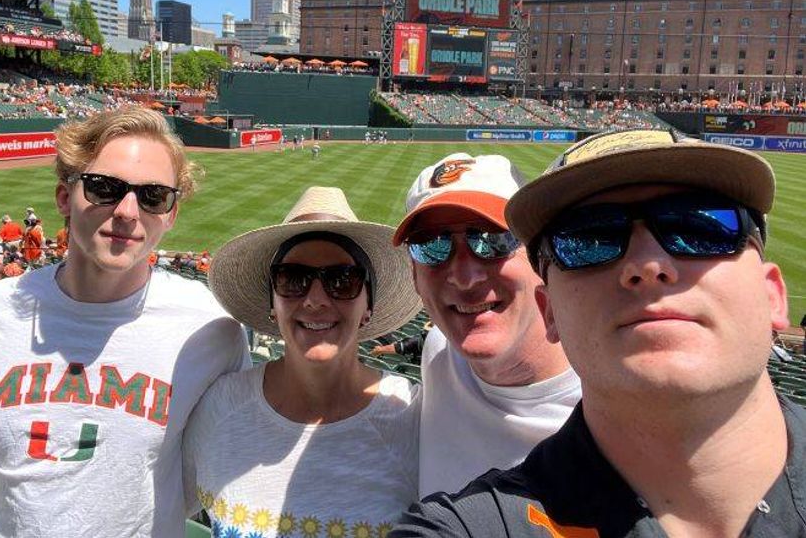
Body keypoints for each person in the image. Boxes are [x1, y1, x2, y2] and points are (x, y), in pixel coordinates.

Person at [393, 129, 806, 537]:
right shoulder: (441, 353)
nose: (647, 264)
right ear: (550, 310)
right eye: (591, 239)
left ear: (772, 294)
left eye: (699, 229)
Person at [0, 106, 250, 538]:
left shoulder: (210, 328)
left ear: (170, 214)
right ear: (64, 197)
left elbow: (212, 471)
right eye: (104, 188)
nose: (129, 211)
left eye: (153, 196)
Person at [184, 187, 423, 537]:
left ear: (368, 306)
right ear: (273, 303)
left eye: (342, 281)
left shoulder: (414, 419)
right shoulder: (218, 408)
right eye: (293, 279)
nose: (315, 299)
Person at [391, 153, 579, 496]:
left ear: (540, 258)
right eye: (431, 245)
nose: (464, 276)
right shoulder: (439, 352)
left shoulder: (609, 405)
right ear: (414, 275)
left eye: (493, 240)